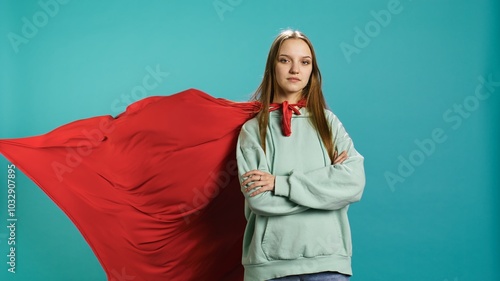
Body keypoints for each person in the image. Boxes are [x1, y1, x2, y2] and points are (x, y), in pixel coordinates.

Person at [236, 30, 366, 281]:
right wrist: (326, 188)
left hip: (328, 263)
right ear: (272, 67)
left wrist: (279, 183)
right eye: (285, 60)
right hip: (270, 267)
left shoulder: (329, 124)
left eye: (304, 62)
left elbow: (353, 184)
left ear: (312, 71)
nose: (295, 69)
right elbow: (261, 201)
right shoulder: (253, 130)